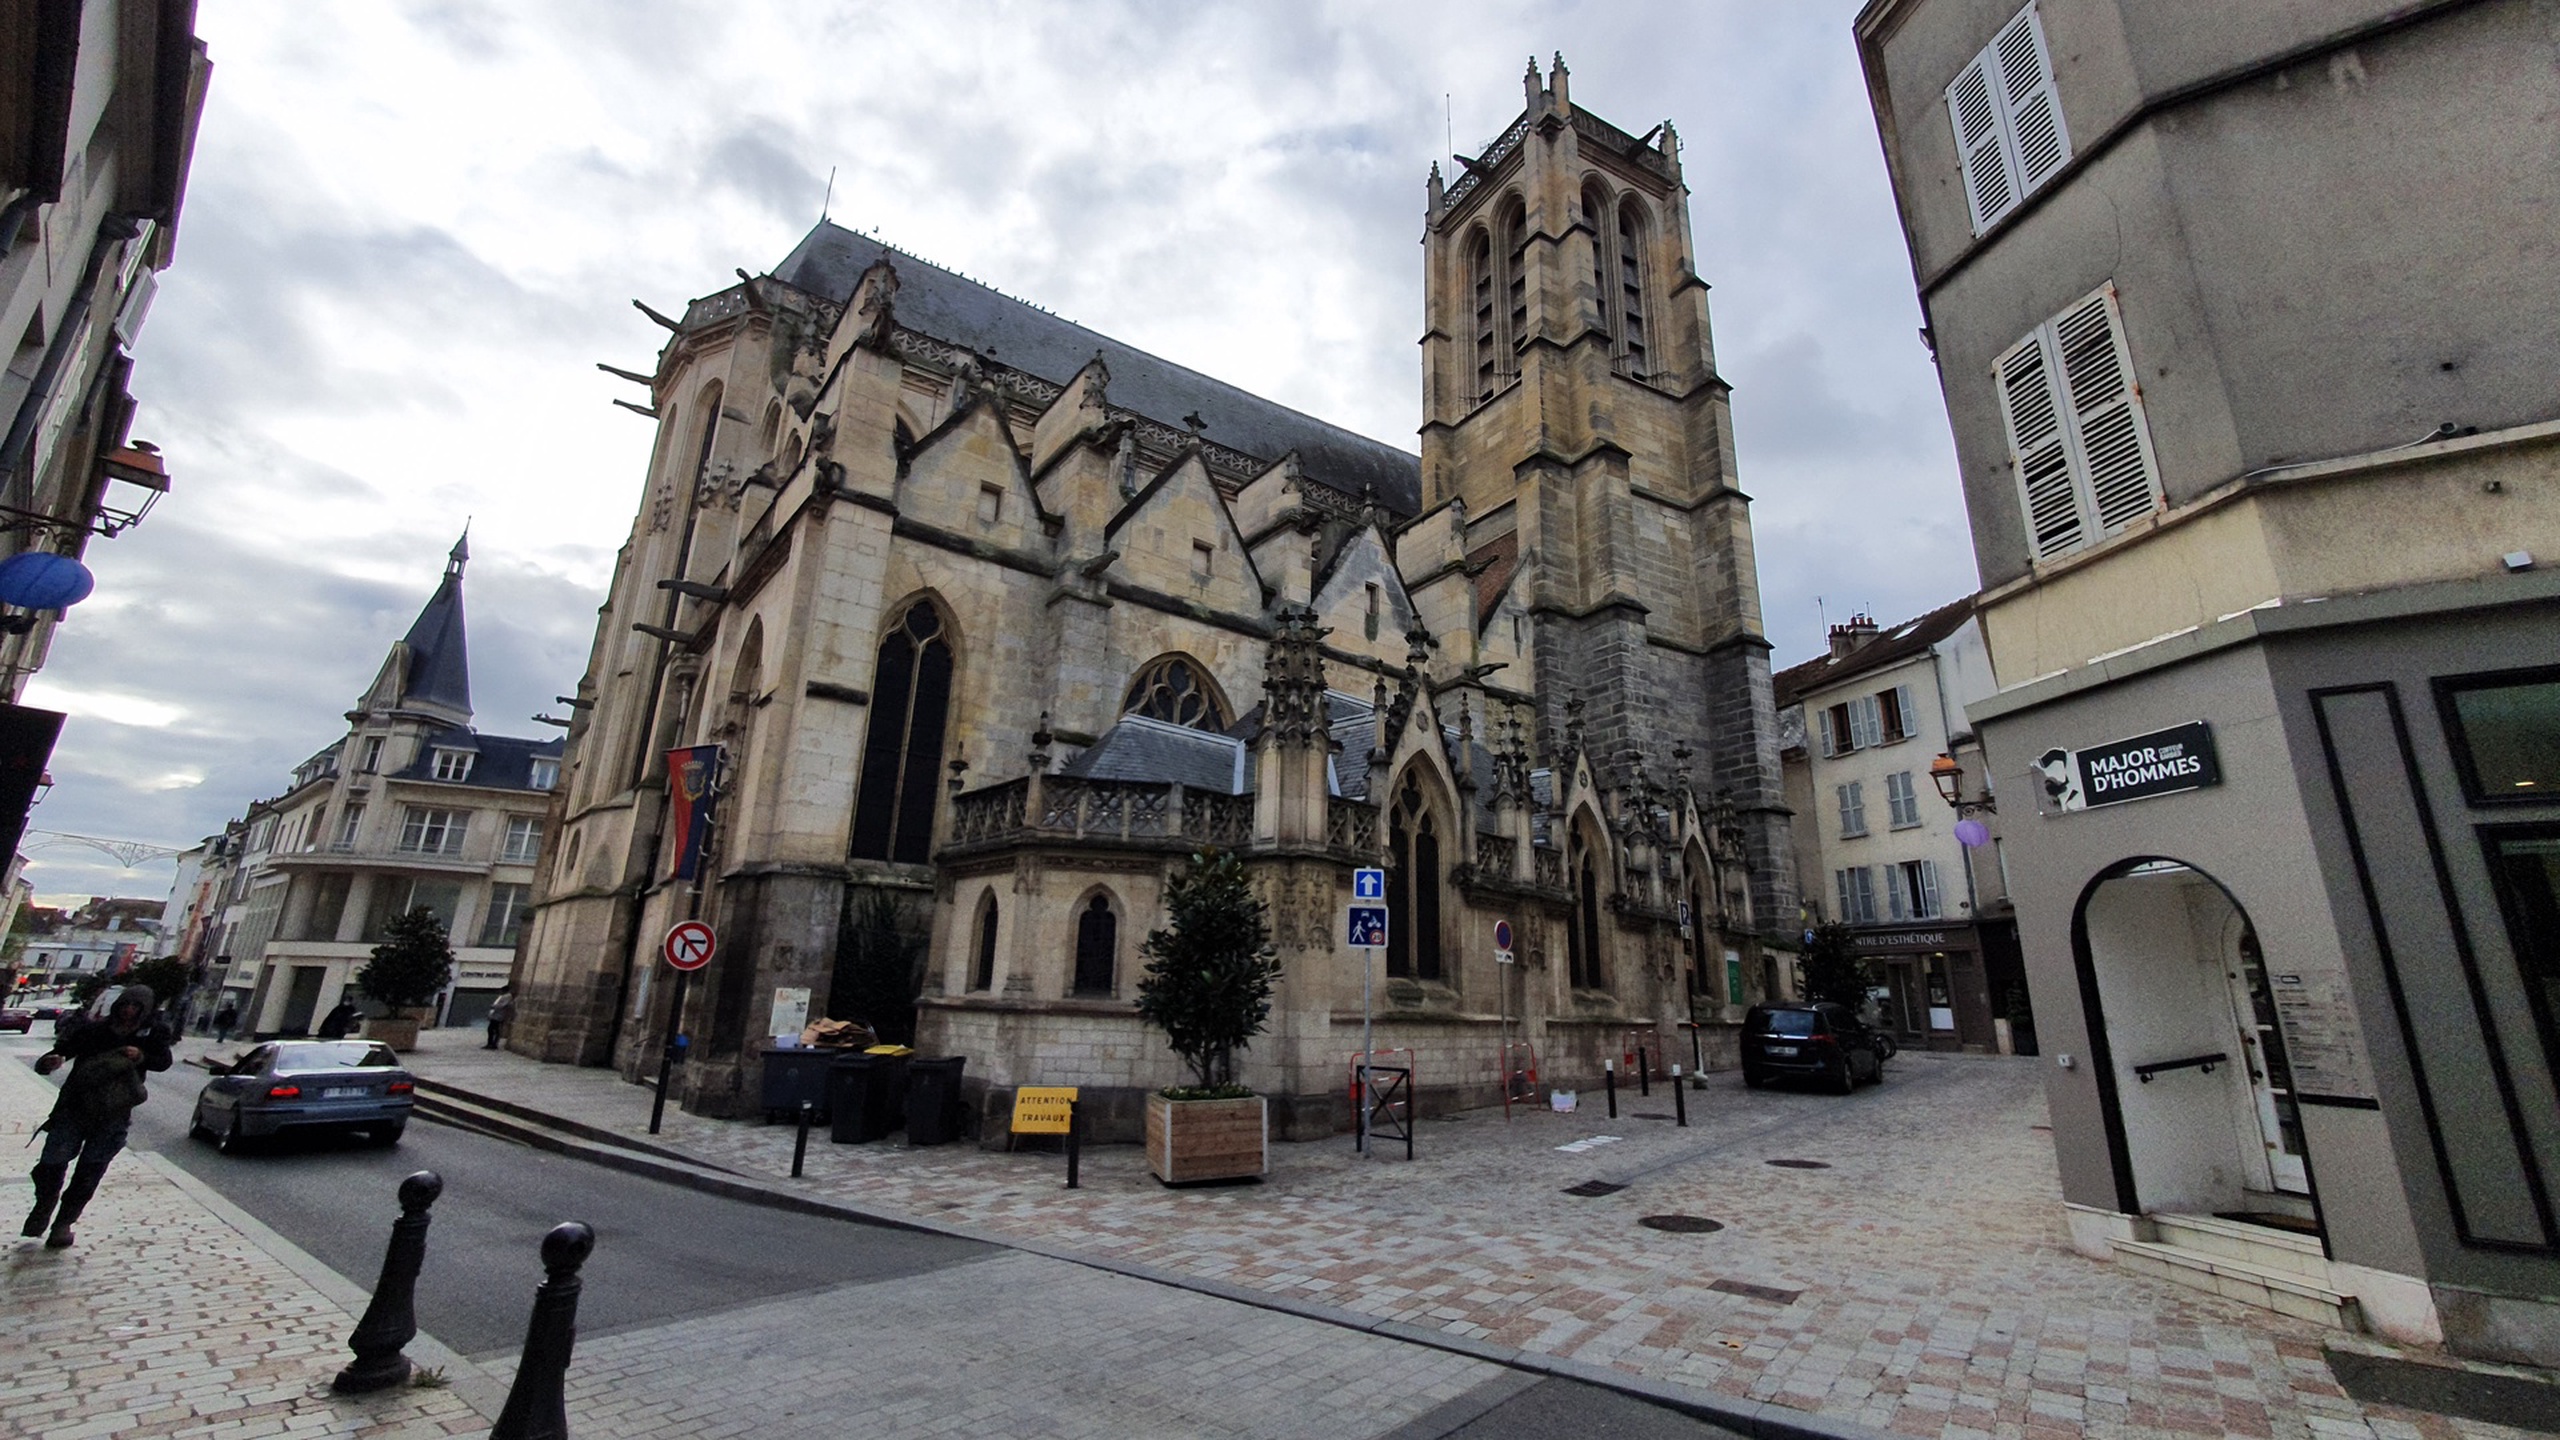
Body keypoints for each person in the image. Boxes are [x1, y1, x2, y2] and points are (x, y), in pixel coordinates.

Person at [23, 983, 173, 1249]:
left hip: (113, 1112)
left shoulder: (151, 1034)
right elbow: (64, 1049)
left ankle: (63, 1223)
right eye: (125, 1005)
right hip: (75, 1106)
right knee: (51, 1164)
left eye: (136, 1007)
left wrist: (141, 1055)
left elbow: (163, 1061)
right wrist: (51, 1060)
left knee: (90, 1171)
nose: (128, 1011)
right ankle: (43, 1207)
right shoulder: (95, 1030)